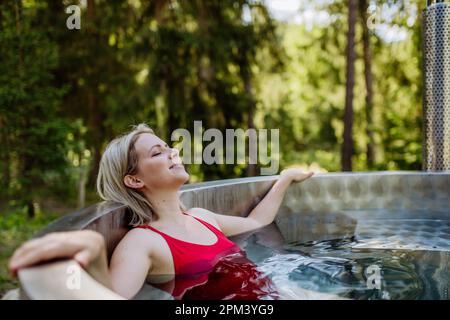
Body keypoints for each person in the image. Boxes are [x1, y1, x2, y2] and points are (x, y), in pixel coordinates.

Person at [9, 123, 313, 299]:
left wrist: (284, 179)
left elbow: (257, 221)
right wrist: (94, 251)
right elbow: (114, 298)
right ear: (134, 179)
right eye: (158, 152)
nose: (173, 153)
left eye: (169, 148)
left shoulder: (203, 218)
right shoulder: (143, 242)